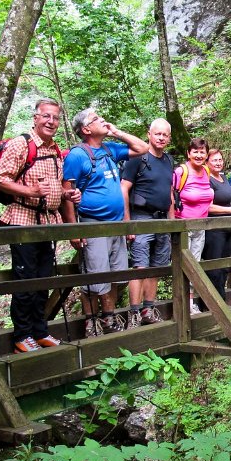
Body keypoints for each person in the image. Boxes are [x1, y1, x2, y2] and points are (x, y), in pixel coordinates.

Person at [0, 98, 81, 353]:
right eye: (46, 116)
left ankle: (40, 330)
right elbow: (0, 179)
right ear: (35, 117)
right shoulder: (21, 144)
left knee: (44, 279)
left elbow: (57, 185)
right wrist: (29, 190)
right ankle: (22, 335)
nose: (51, 121)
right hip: (23, 220)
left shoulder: (55, 149)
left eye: (55, 117)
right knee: (25, 279)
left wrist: (67, 195)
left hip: (48, 222)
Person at [62, 108, 147, 335]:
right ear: (86, 129)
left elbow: (142, 148)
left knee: (115, 274)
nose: (103, 120)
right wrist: (73, 230)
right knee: (95, 276)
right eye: (96, 119)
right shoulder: (78, 155)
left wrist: (116, 132)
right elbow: (67, 194)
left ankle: (108, 317)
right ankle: (93, 321)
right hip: (93, 224)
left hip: (116, 225)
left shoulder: (109, 150)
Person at [120, 118, 174, 329]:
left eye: (165, 135)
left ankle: (148, 309)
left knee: (157, 267)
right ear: (149, 134)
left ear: (169, 138)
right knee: (140, 266)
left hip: (162, 219)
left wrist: (171, 223)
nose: (161, 138)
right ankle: (134, 312)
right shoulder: (137, 159)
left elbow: (169, 192)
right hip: (140, 217)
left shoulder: (168, 160)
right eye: (157, 134)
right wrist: (128, 222)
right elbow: (124, 188)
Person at [170, 137, 216, 313]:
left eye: (202, 152)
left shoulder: (206, 171)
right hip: (183, 226)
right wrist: (172, 221)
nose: (198, 155)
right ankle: (180, 303)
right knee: (182, 264)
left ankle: (190, 302)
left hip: (200, 226)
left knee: (195, 265)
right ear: (188, 153)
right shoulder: (181, 171)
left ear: (206, 154)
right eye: (195, 151)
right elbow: (171, 196)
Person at [201, 149, 231, 305]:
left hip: (228, 229)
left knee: (224, 267)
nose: (218, 163)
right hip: (214, 229)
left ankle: (221, 300)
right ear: (207, 162)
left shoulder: (223, 177)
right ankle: (213, 303)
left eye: (220, 160)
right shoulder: (207, 180)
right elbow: (207, 206)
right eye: (214, 160)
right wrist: (230, 210)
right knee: (214, 268)